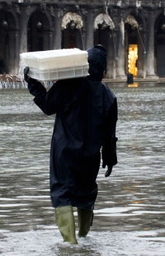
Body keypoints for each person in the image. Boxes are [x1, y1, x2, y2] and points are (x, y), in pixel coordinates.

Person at [24, 45, 118, 244]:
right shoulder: (108, 96)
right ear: (103, 71)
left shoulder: (68, 84)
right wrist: (110, 159)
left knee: (62, 192)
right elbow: (109, 135)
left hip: (64, 152)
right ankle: (84, 239)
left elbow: (48, 105)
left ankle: (70, 244)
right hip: (91, 156)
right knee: (86, 194)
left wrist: (32, 82)